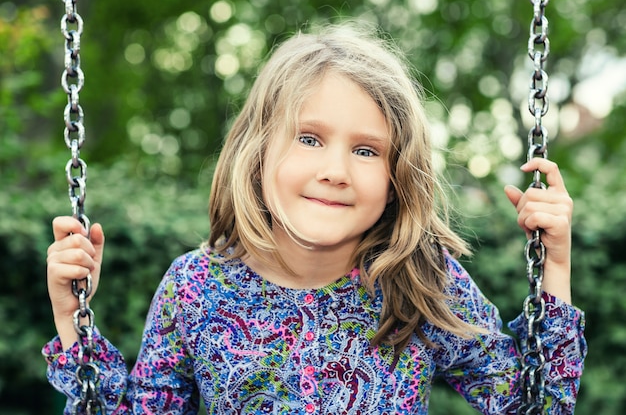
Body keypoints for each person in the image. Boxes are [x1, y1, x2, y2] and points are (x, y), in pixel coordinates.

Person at [44, 23, 586, 414]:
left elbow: (533, 406)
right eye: (309, 139)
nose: (335, 170)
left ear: (398, 176)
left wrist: (554, 264)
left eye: (368, 150)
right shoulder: (194, 289)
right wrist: (73, 321)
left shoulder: (419, 279)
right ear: (257, 154)